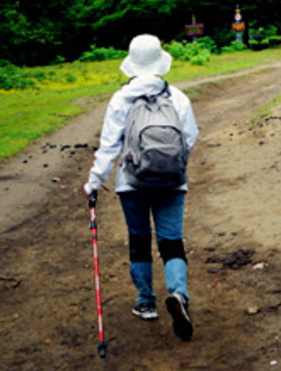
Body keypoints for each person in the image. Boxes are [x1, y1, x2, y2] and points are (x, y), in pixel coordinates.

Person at [84, 34, 199, 340]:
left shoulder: (121, 99)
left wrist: (94, 182)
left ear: (131, 64)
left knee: (139, 240)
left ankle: (146, 303)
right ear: (161, 60)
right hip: (173, 182)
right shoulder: (177, 97)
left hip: (131, 183)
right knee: (171, 241)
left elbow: (109, 147)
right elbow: (189, 137)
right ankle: (179, 294)